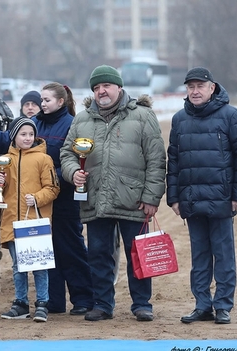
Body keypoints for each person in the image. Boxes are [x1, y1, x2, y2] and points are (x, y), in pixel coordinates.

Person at [0, 82, 94, 316]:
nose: (41, 104)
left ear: (61, 102)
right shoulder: (34, 123)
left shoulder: (71, 124)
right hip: (33, 206)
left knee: (70, 249)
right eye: (41, 100)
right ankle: (54, 302)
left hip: (63, 198)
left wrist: (50, 180)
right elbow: (10, 138)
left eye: (46, 100)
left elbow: (70, 159)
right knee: (44, 253)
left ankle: (83, 299)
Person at [60, 65, 166, 322]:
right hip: (96, 199)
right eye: (96, 88)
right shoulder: (82, 119)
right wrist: (73, 172)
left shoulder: (143, 116)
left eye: (106, 85)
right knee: (98, 254)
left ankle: (142, 304)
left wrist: (152, 198)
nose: (101, 91)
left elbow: (156, 160)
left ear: (119, 87)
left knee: (138, 254)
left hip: (134, 200)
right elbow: (67, 154)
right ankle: (103, 304)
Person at [166, 67, 237, 325]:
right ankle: (202, 304)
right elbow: (174, 161)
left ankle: (223, 305)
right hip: (192, 200)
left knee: (224, 254)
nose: (195, 91)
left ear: (212, 88)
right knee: (200, 257)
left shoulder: (231, 116)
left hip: (222, 200)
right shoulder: (179, 119)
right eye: (190, 87)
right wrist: (174, 197)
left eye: (200, 86)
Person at [0, 117, 60, 322]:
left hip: (35, 222)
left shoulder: (43, 160)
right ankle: (20, 303)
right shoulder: (3, 160)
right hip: (12, 221)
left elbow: (53, 188)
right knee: (18, 265)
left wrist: (36, 198)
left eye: (30, 134)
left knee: (39, 265)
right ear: (14, 136)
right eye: (23, 134)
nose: (28, 138)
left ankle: (42, 303)